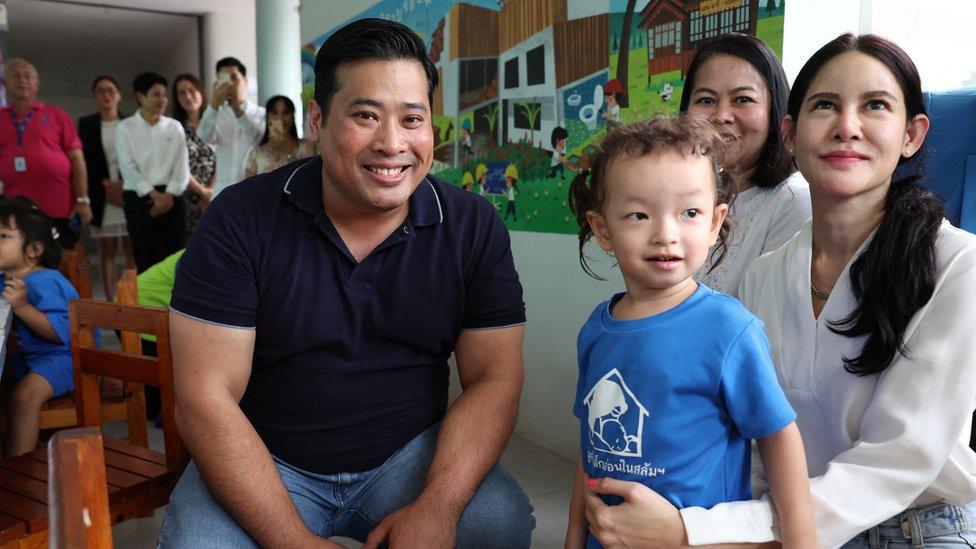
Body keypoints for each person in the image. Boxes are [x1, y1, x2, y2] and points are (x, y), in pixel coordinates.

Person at [581, 33, 976, 549]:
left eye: (875, 106)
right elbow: (753, 441)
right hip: (780, 521)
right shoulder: (766, 274)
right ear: (790, 132)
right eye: (825, 106)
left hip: (915, 528)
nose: (847, 127)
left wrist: (692, 531)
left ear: (911, 134)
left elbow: (895, 463)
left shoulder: (957, 267)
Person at [158, 18, 534, 548]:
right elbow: (204, 397)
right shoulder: (239, 218)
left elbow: (495, 378)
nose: (391, 143)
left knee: (497, 521)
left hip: (406, 458)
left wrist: (438, 505)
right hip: (266, 456)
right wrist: (295, 542)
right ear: (317, 119)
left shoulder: (472, 226)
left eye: (412, 119)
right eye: (365, 116)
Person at [565, 117, 815, 549]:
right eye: (639, 214)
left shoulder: (728, 329)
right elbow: (590, 450)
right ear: (603, 228)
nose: (666, 234)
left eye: (690, 213)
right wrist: (574, 534)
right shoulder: (596, 329)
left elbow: (779, 437)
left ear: (715, 222)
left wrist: (801, 541)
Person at [681, 33, 811, 297]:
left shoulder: (794, 200)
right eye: (706, 100)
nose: (721, 116)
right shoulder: (696, 194)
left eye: (742, 99)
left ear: (775, 110)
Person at [0, 197, 77, 457]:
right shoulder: (8, 279)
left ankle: (18, 469)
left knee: (24, 397)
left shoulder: (46, 280)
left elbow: (62, 333)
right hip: (31, 359)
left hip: (64, 358)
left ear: (34, 250)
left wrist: (22, 308)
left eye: (3, 236)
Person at [0, 59, 91, 248]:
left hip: (59, 207)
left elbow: (77, 159)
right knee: (20, 266)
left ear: (37, 83)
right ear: (5, 83)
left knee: (61, 262)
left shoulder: (58, 115)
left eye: (27, 76)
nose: (22, 80)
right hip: (16, 211)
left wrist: (83, 200)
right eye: (16, 76)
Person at [116, 72, 189, 273]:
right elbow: (127, 167)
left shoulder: (174, 127)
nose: (162, 100)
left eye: (164, 95)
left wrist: (168, 195)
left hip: (172, 198)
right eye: (156, 94)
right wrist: (154, 194)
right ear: (141, 97)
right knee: (144, 257)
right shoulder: (125, 127)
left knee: (176, 259)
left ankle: (176, 304)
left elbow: (182, 165)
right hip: (140, 199)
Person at [78, 75, 136, 301]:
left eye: (111, 90)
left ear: (119, 95)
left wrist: (123, 183)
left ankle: (134, 296)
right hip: (101, 193)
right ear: (94, 96)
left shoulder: (130, 123)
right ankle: (111, 300)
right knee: (108, 248)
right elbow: (83, 160)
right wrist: (104, 185)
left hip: (128, 190)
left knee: (131, 247)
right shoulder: (87, 124)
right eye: (100, 91)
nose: (106, 95)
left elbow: (137, 157)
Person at [198, 57, 265, 196]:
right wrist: (214, 105)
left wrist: (237, 108)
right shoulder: (216, 114)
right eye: (223, 78)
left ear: (245, 81)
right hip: (222, 192)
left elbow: (259, 139)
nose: (229, 83)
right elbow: (204, 138)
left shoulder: (260, 113)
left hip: (254, 191)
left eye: (234, 77)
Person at [172, 73, 216, 235]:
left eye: (191, 90)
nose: (187, 96)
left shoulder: (215, 123)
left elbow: (223, 159)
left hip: (215, 194)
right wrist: (202, 193)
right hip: (187, 198)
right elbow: (178, 165)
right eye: (181, 92)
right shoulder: (175, 128)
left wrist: (210, 192)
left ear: (200, 92)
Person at [242, 95, 316, 178]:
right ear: (268, 118)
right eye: (274, 113)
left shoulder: (308, 147)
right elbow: (248, 188)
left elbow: (310, 178)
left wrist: (286, 151)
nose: (280, 118)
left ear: (292, 118)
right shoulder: (256, 155)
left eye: (285, 113)